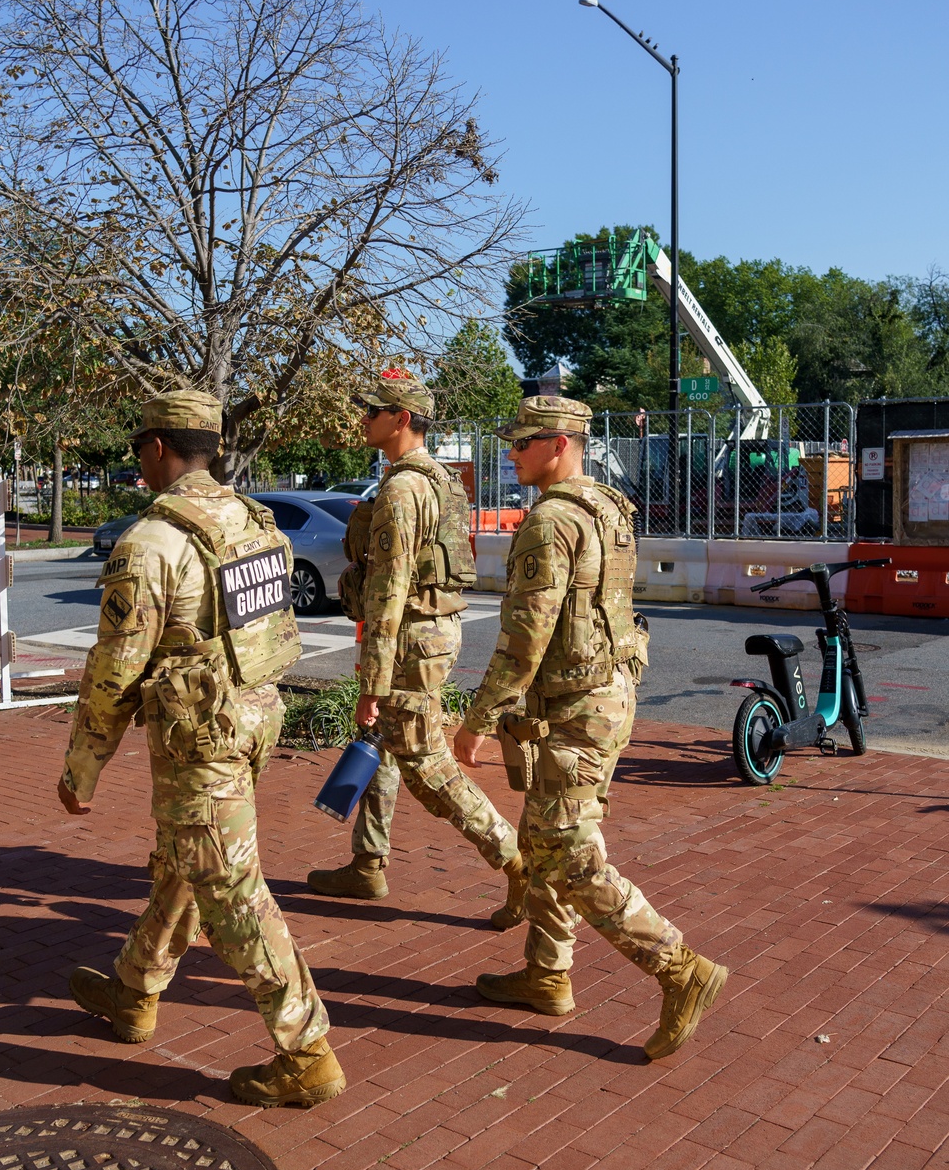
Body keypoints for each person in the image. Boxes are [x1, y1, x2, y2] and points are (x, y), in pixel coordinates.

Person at [58, 390, 344, 1108]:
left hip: (200, 740)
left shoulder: (151, 542)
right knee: (189, 858)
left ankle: (307, 1052)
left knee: (229, 888)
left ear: (156, 448)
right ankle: (134, 987)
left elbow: (115, 668)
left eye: (137, 449)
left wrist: (81, 767)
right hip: (251, 722)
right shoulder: (253, 522)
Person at [453, 395, 727, 1060]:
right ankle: (547, 974)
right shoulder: (607, 505)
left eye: (521, 444)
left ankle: (679, 968)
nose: (512, 454)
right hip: (603, 695)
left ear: (557, 445)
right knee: (543, 836)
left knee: (567, 851)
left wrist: (478, 721)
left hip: (578, 709)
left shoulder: (551, 522)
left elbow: (524, 637)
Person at [306, 368, 525, 927]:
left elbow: (388, 590)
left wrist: (372, 685)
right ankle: (367, 861)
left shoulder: (404, 488)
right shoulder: (438, 479)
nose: (363, 419)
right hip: (431, 632)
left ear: (401, 420)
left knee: (428, 764)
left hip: (409, 638)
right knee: (377, 744)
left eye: (373, 411)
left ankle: (516, 862)